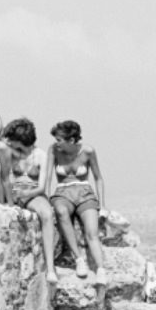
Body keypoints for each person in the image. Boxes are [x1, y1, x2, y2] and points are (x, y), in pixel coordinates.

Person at [0, 117, 58, 284]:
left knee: (46, 214)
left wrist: (25, 193)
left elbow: (41, 187)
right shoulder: (9, 154)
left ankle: (51, 268)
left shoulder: (40, 155)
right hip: (12, 192)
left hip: (32, 193)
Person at [46, 120, 107, 285]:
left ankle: (101, 270)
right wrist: (45, 197)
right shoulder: (53, 150)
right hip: (63, 192)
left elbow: (98, 178)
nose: (56, 143)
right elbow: (48, 177)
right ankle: (78, 258)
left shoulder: (88, 151)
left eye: (60, 139)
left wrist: (102, 206)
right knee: (61, 212)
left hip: (85, 193)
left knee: (92, 232)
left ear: (71, 140)